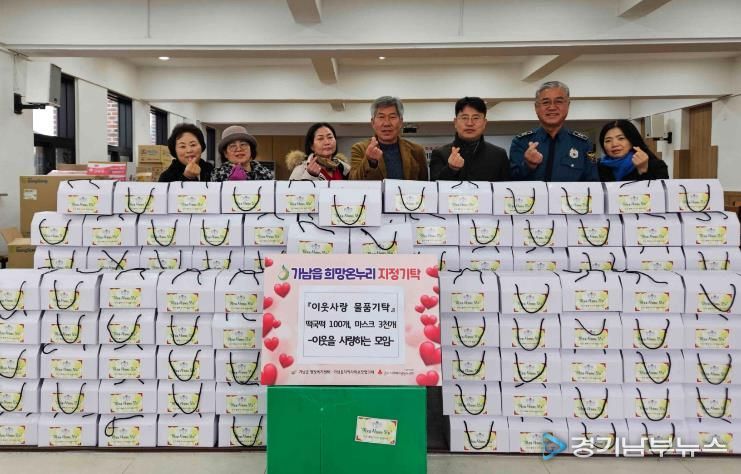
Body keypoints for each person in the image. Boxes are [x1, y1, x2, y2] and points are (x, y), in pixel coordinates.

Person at [509, 81, 598, 182]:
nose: (552, 107)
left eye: (558, 102)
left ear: (568, 106)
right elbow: (509, 182)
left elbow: (594, 183)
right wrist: (528, 165)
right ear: (536, 108)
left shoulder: (586, 145)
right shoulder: (520, 142)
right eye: (545, 102)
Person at [429, 96, 509, 181]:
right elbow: (433, 186)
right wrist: (451, 169)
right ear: (455, 122)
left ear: (484, 123)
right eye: (464, 118)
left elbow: (507, 187)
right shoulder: (440, 154)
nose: (470, 123)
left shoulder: (499, 155)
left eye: (476, 118)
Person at [350, 96, 428, 181]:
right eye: (381, 117)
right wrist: (369, 161)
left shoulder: (417, 151)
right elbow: (353, 181)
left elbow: (424, 184)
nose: (387, 123)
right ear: (373, 123)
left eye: (392, 117)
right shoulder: (360, 149)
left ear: (401, 122)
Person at [597, 120, 669, 181]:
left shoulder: (656, 166)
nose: (614, 144)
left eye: (621, 138)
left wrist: (643, 170)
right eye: (608, 140)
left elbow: (659, 192)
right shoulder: (598, 167)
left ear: (632, 140)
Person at [286, 122, 350, 181]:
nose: (327, 142)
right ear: (311, 146)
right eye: (320, 139)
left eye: (330, 137)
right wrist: (310, 176)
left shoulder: (343, 167)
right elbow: (293, 190)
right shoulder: (301, 169)